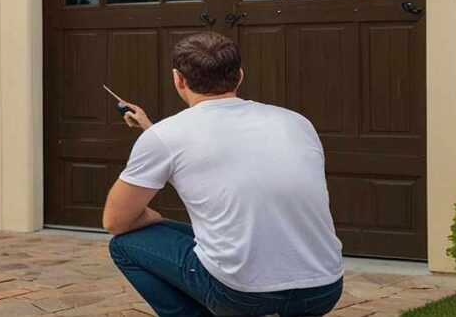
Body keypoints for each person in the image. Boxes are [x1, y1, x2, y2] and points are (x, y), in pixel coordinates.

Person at [103, 32, 343, 317]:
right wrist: (150, 129)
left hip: (240, 295)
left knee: (125, 245)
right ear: (239, 76)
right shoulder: (296, 122)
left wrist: (155, 218)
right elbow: (229, 150)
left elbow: (116, 222)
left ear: (178, 79)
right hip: (323, 289)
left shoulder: (165, 136)